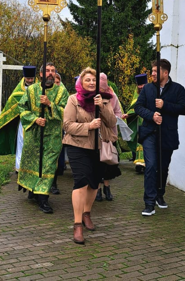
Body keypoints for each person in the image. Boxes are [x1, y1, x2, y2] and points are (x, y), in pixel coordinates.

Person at [62, 68, 116, 244]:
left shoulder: (103, 99)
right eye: (88, 80)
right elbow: (67, 125)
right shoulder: (73, 100)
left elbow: (112, 122)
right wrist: (89, 127)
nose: (92, 83)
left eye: (94, 80)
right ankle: (77, 224)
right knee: (81, 181)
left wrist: (102, 106)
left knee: (94, 183)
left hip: (98, 146)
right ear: (81, 83)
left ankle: (87, 213)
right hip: (77, 146)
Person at [133, 59, 185, 216]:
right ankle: (149, 203)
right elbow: (138, 107)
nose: (153, 74)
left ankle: (159, 194)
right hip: (150, 133)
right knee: (150, 166)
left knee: (163, 168)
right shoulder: (148, 89)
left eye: (156, 71)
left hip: (167, 134)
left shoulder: (178, 89)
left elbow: (183, 109)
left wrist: (165, 105)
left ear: (165, 72)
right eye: (152, 71)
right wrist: (151, 115)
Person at [16, 62, 68, 213]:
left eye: (53, 71)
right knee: (34, 163)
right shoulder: (31, 90)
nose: (50, 73)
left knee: (48, 165)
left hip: (53, 137)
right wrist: (34, 119)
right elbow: (22, 107)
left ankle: (43, 198)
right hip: (34, 134)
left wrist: (50, 104)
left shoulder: (61, 92)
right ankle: (33, 188)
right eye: (47, 71)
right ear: (40, 74)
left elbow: (66, 112)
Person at [0, 65, 38, 192]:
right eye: (28, 78)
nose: (30, 80)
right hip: (23, 121)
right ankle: (19, 168)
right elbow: (12, 102)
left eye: (32, 78)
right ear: (24, 77)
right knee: (21, 143)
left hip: (36, 122)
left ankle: (33, 169)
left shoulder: (39, 89)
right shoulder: (18, 91)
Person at [95, 73, 124, 202]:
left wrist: (115, 117)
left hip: (109, 133)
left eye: (104, 86)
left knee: (108, 161)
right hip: (96, 133)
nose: (103, 89)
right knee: (97, 162)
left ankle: (107, 188)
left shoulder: (112, 95)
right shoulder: (93, 95)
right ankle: (98, 190)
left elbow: (118, 111)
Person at [129, 73, 148, 174]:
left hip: (148, 121)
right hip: (139, 121)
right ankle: (139, 164)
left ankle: (145, 164)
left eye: (142, 85)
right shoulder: (136, 92)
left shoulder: (150, 90)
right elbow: (134, 105)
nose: (140, 87)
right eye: (139, 85)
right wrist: (128, 114)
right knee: (138, 140)